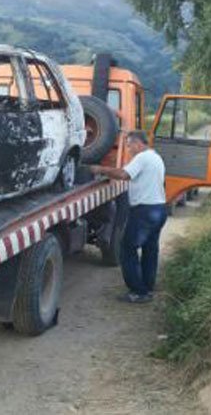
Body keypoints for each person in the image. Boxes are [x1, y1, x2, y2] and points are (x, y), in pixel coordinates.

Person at [89, 130, 167, 303]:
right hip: (159, 209)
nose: (129, 149)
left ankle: (138, 292)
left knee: (127, 248)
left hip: (144, 211)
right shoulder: (156, 157)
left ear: (138, 144)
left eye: (130, 145)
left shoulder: (142, 158)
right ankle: (147, 288)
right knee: (150, 250)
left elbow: (124, 175)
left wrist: (100, 169)